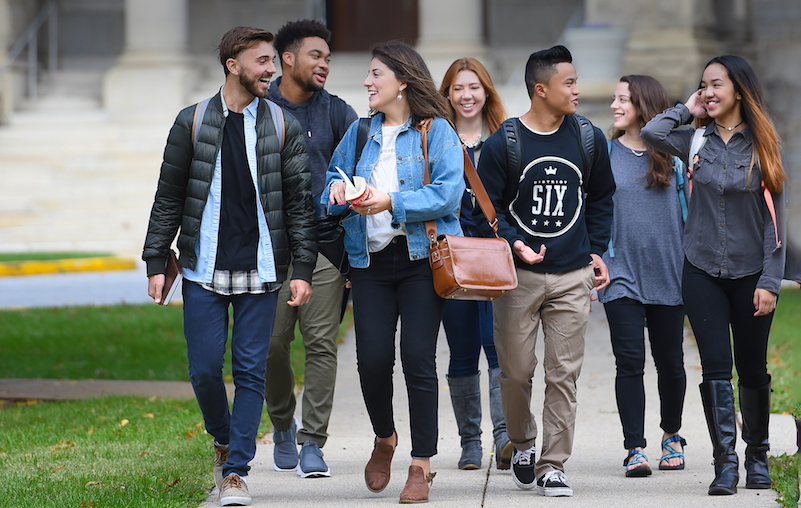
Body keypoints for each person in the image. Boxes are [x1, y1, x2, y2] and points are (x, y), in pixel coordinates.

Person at [142, 26, 316, 506]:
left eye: (272, 62)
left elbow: (301, 205)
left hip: (261, 269)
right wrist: (158, 257)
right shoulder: (192, 121)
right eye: (261, 62)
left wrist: (302, 268)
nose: (271, 70)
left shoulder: (283, 126)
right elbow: (169, 195)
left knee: (250, 372)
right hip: (203, 267)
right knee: (202, 369)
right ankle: (222, 438)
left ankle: (236, 470)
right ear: (232, 65)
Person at [322, 43, 464, 503]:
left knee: (418, 359)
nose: (367, 82)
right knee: (372, 362)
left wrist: (391, 202)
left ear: (402, 81)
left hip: (422, 261)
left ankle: (421, 463)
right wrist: (341, 193)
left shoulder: (436, 130)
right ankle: (385, 437)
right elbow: (329, 182)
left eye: (375, 74)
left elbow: (447, 192)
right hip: (369, 262)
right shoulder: (361, 132)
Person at [642, 55, 788, 496]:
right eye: (703, 84)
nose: (708, 91)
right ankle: (725, 464)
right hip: (701, 268)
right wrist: (688, 108)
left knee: (753, 369)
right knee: (716, 370)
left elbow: (775, 222)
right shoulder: (694, 140)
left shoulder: (763, 145)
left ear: (739, 91)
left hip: (750, 272)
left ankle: (757, 457)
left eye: (716, 85)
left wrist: (770, 282)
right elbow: (652, 133)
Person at [473, 45, 615, 497]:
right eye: (568, 83)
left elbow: (601, 198)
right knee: (516, 372)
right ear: (541, 89)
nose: (577, 90)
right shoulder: (506, 143)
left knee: (563, 373)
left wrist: (595, 250)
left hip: (572, 275)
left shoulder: (589, 139)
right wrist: (514, 241)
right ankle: (522, 443)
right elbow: (485, 209)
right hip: (518, 278)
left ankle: (553, 463)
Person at [264, 19, 358, 479]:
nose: (324, 63)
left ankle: (312, 443)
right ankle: (282, 423)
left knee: (321, 344)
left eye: (327, 56)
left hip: (324, 244)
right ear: (287, 58)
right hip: (270, 245)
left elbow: (362, 173)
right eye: (315, 55)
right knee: (271, 345)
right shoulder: (259, 107)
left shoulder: (338, 113)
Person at [598, 75, 688, 477]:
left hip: (671, 272)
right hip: (621, 274)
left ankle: (672, 434)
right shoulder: (602, 153)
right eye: (615, 99)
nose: (615, 106)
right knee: (629, 361)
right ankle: (634, 446)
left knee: (670, 361)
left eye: (623, 99)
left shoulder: (675, 155)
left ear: (643, 105)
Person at [437, 57, 512, 471]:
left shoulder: (507, 139)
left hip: (497, 256)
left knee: (499, 347)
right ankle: (470, 442)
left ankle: (504, 436)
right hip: (455, 261)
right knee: (463, 351)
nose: (467, 96)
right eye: (458, 89)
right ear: (447, 94)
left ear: (486, 92)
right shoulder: (435, 140)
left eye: (474, 87)